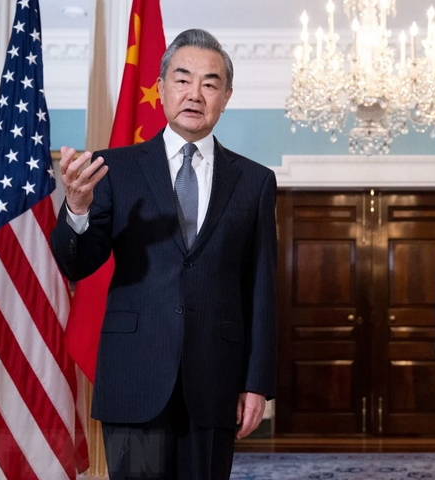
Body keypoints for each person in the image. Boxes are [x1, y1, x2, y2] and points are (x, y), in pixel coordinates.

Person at [51, 29, 277, 479]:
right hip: (134, 375)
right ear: (161, 86)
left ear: (226, 96)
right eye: (183, 79)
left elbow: (261, 288)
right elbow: (78, 262)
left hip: (215, 379)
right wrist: (76, 209)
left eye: (210, 83)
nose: (195, 93)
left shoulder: (255, 181)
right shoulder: (116, 168)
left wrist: (257, 384)